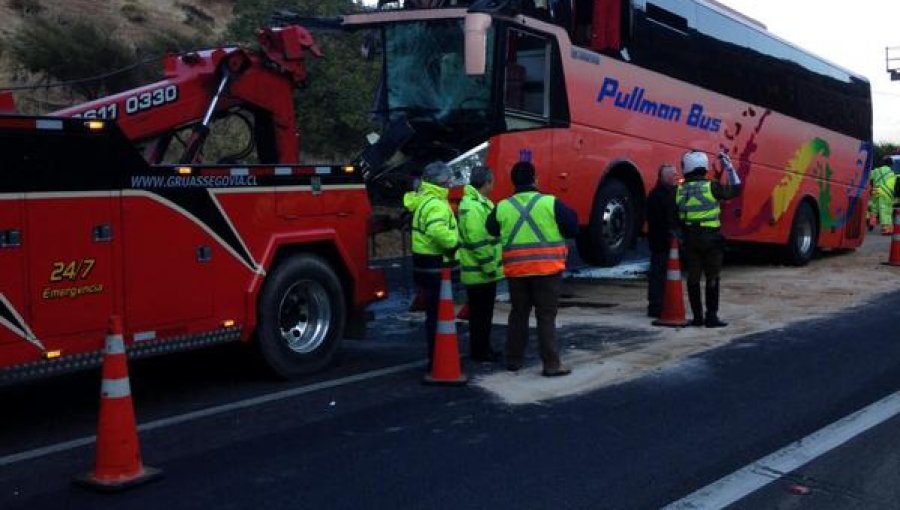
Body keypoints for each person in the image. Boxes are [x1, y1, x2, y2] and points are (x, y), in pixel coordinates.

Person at [485, 161, 578, 376]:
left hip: (517, 272)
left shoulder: (503, 206)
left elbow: (491, 229)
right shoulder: (550, 203)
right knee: (546, 317)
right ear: (535, 179)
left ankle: (513, 360)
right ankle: (552, 364)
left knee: (518, 314)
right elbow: (572, 226)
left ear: (513, 182)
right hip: (547, 271)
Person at [676, 150, 742, 328]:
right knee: (712, 277)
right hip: (711, 239)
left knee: (693, 279)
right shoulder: (711, 186)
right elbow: (736, 188)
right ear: (704, 166)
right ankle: (711, 317)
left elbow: (676, 214)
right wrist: (728, 167)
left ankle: (697, 318)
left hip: (690, 239)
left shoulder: (680, 189)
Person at [404, 161, 459, 367]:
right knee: (438, 316)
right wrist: (454, 242)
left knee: (433, 315)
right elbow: (437, 231)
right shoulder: (436, 204)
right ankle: (438, 359)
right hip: (436, 267)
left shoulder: (422, 200)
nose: (452, 182)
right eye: (450, 179)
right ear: (442, 181)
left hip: (423, 265)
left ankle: (436, 356)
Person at [458, 166, 503, 362]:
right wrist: (490, 267)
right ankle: (481, 352)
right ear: (487, 183)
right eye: (492, 181)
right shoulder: (474, 207)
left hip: (480, 271)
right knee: (481, 315)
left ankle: (483, 349)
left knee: (482, 315)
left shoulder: (478, 204)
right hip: (481, 272)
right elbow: (478, 241)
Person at [646, 164, 680, 318]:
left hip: (660, 241)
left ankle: (659, 304)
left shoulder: (659, 194)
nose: (676, 177)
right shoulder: (660, 196)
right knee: (659, 275)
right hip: (661, 242)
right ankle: (657, 305)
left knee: (660, 275)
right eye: (673, 175)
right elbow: (664, 220)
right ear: (665, 177)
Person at [869, 157, 898, 235]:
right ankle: (886, 230)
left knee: (874, 208)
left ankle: (871, 222)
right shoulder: (892, 174)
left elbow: (868, 176)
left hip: (875, 191)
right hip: (886, 193)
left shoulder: (876, 171)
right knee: (885, 211)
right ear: (891, 164)